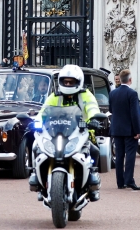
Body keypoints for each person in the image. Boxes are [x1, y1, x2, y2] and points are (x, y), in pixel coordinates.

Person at [37, 65, 101, 201]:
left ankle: (92, 182)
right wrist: (36, 121)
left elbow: (92, 108)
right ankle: (38, 181)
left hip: (80, 132)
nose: (67, 84)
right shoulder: (55, 96)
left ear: (78, 82)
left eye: (71, 82)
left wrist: (94, 119)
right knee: (37, 149)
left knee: (94, 150)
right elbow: (43, 111)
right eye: (65, 81)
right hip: (56, 133)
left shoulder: (86, 95)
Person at [108, 69, 140, 190]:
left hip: (117, 128)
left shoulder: (113, 93)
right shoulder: (132, 93)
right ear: (130, 80)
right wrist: (137, 130)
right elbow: (135, 113)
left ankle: (120, 182)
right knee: (130, 156)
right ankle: (129, 180)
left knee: (119, 156)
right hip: (129, 129)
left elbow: (111, 110)